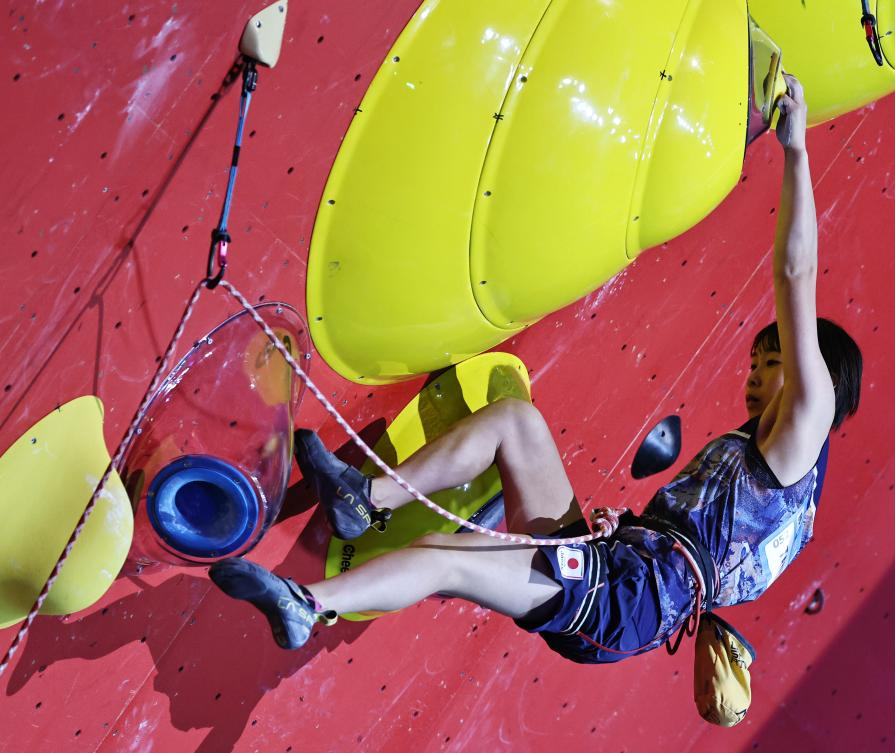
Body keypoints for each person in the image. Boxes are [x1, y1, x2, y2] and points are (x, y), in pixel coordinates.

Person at [209, 76, 861, 669]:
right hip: (621, 569)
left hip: (622, 600)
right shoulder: (784, 475)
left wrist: (797, 151)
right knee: (516, 425)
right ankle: (366, 501)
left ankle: (308, 604)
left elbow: (796, 273)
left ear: (817, 376)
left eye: (773, 361)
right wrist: (631, 533)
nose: (753, 378)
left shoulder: (805, 427)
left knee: (446, 556)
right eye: (756, 362)